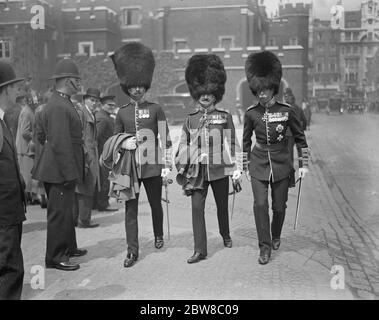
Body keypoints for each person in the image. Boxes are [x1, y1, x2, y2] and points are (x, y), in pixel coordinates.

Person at [242, 51, 309, 265]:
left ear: (273, 88)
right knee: (260, 205)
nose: (261, 94)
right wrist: (244, 165)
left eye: (265, 89)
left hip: (281, 164)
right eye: (258, 90)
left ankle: (276, 234)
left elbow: (300, 138)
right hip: (258, 162)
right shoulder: (251, 113)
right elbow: (245, 141)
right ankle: (264, 247)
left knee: (279, 207)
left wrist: (303, 164)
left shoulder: (287, 111)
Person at [175, 54, 242, 264]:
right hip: (197, 172)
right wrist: (190, 156)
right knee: (197, 208)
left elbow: (232, 144)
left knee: (222, 205)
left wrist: (236, 167)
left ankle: (225, 233)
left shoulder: (224, 116)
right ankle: (199, 250)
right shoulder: (190, 119)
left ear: (216, 93)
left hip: (219, 168)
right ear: (196, 92)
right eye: (201, 91)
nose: (205, 95)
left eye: (209, 92)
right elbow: (182, 144)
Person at [111, 42, 173, 268]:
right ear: (127, 87)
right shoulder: (122, 112)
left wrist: (166, 165)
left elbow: (165, 137)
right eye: (133, 86)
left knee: (156, 204)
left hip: (152, 166)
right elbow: (114, 140)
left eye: (140, 86)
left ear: (145, 86)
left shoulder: (156, 109)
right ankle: (132, 251)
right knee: (131, 210)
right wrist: (125, 142)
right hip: (130, 169)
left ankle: (158, 234)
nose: (137, 89)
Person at [32, 58, 87, 271]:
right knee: (59, 214)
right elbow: (60, 143)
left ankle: (69, 248)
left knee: (66, 211)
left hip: (61, 168)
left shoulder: (61, 102)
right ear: (67, 80)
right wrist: (69, 172)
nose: (79, 83)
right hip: (59, 170)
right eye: (77, 79)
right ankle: (55, 257)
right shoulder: (58, 105)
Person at [0, 61, 26, 300]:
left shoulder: (2, 120)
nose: (18, 92)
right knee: (9, 270)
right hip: (4, 215)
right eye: (15, 87)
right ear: (6, 89)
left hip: (8, 211)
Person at [73, 88, 101, 228]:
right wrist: (85, 156)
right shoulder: (82, 114)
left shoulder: (90, 114)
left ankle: (81, 218)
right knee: (85, 188)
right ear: (85, 100)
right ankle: (83, 220)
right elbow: (80, 137)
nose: (94, 103)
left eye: (96, 101)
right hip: (86, 156)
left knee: (86, 187)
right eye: (92, 100)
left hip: (90, 154)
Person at [94, 94, 118, 211]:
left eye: (113, 105)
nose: (112, 107)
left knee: (103, 179)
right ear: (102, 105)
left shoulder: (105, 116)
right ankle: (102, 204)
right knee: (104, 180)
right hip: (103, 154)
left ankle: (99, 203)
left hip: (104, 153)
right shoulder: (103, 118)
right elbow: (96, 137)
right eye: (109, 105)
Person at [283, 88, 307, 188]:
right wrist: (301, 130)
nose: (285, 98)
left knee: (289, 158)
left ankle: (291, 181)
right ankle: (302, 169)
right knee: (300, 154)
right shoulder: (298, 109)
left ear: (290, 97)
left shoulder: (286, 109)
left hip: (289, 135)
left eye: (286, 96)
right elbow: (305, 121)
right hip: (298, 134)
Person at [15, 93, 37, 204]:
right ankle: (26, 198)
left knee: (28, 174)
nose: (35, 102)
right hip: (25, 149)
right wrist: (35, 135)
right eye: (34, 100)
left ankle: (28, 196)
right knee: (27, 175)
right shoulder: (27, 112)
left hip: (26, 149)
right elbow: (24, 131)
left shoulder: (28, 111)